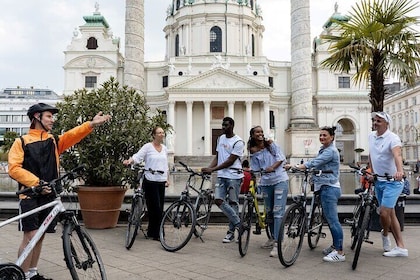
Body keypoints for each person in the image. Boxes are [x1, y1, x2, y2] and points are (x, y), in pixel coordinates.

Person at [8, 103, 111, 280]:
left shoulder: (53, 140)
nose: (52, 120)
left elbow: (73, 135)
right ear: (37, 117)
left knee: (40, 236)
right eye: (49, 116)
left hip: (50, 195)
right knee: (30, 236)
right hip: (30, 196)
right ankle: (22, 275)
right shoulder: (21, 141)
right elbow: (14, 168)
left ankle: (32, 273)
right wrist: (37, 182)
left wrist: (91, 124)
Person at [286, 126, 345, 262]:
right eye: (321, 135)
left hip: (329, 188)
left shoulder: (330, 151)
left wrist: (297, 166)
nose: (322, 137)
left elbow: (315, 162)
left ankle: (340, 252)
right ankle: (335, 245)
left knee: (333, 220)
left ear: (332, 137)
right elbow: (317, 165)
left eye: (325, 135)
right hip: (322, 186)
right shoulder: (323, 149)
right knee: (329, 220)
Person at [369, 112, 408, 257]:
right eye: (374, 120)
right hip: (379, 180)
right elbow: (372, 156)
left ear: (386, 123)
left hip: (393, 181)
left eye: (379, 121)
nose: (375, 123)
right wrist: (371, 172)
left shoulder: (393, 138)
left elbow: (397, 155)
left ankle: (385, 234)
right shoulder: (371, 136)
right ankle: (401, 247)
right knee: (390, 213)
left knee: (384, 212)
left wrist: (400, 171)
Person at [248, 125, 288, 257]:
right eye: (257, 132)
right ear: (253, 135)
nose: (260, 134)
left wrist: (272, 167)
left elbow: (281, 157)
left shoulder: (270, 144)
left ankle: (279, 242)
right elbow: (255, 167)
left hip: (280, 179)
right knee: (269, 212)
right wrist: (251, 174)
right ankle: (272, 237)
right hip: (266, 183)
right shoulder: (252, 150)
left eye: (261, 132)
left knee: (277, 212)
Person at [202, 117, 244, 243]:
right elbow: (218, 156)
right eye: (222, 125)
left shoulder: (238, 142)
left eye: (225, 125)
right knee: (218, 199)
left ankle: (230, 233)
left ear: (231, 126)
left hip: (234, 176)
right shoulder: (220, 138)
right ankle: (239, 224)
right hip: (222, 175)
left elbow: (230, 161)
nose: (223, 127)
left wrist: (213, 169)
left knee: (233, 203)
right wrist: (208, 168)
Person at [123, 126, 169, 241]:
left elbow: (166, 165)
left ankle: (152, 232)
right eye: (159, 133)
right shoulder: (148, 147)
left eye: (163, 133)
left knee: (159, 207)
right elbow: (138, 157)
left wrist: (167, 178)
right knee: (155, 208)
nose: (161, 134)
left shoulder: (164, 148)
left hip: (161, 180)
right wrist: (129, 161)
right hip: (150, 179)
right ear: (154, 135)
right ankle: (158, 233)